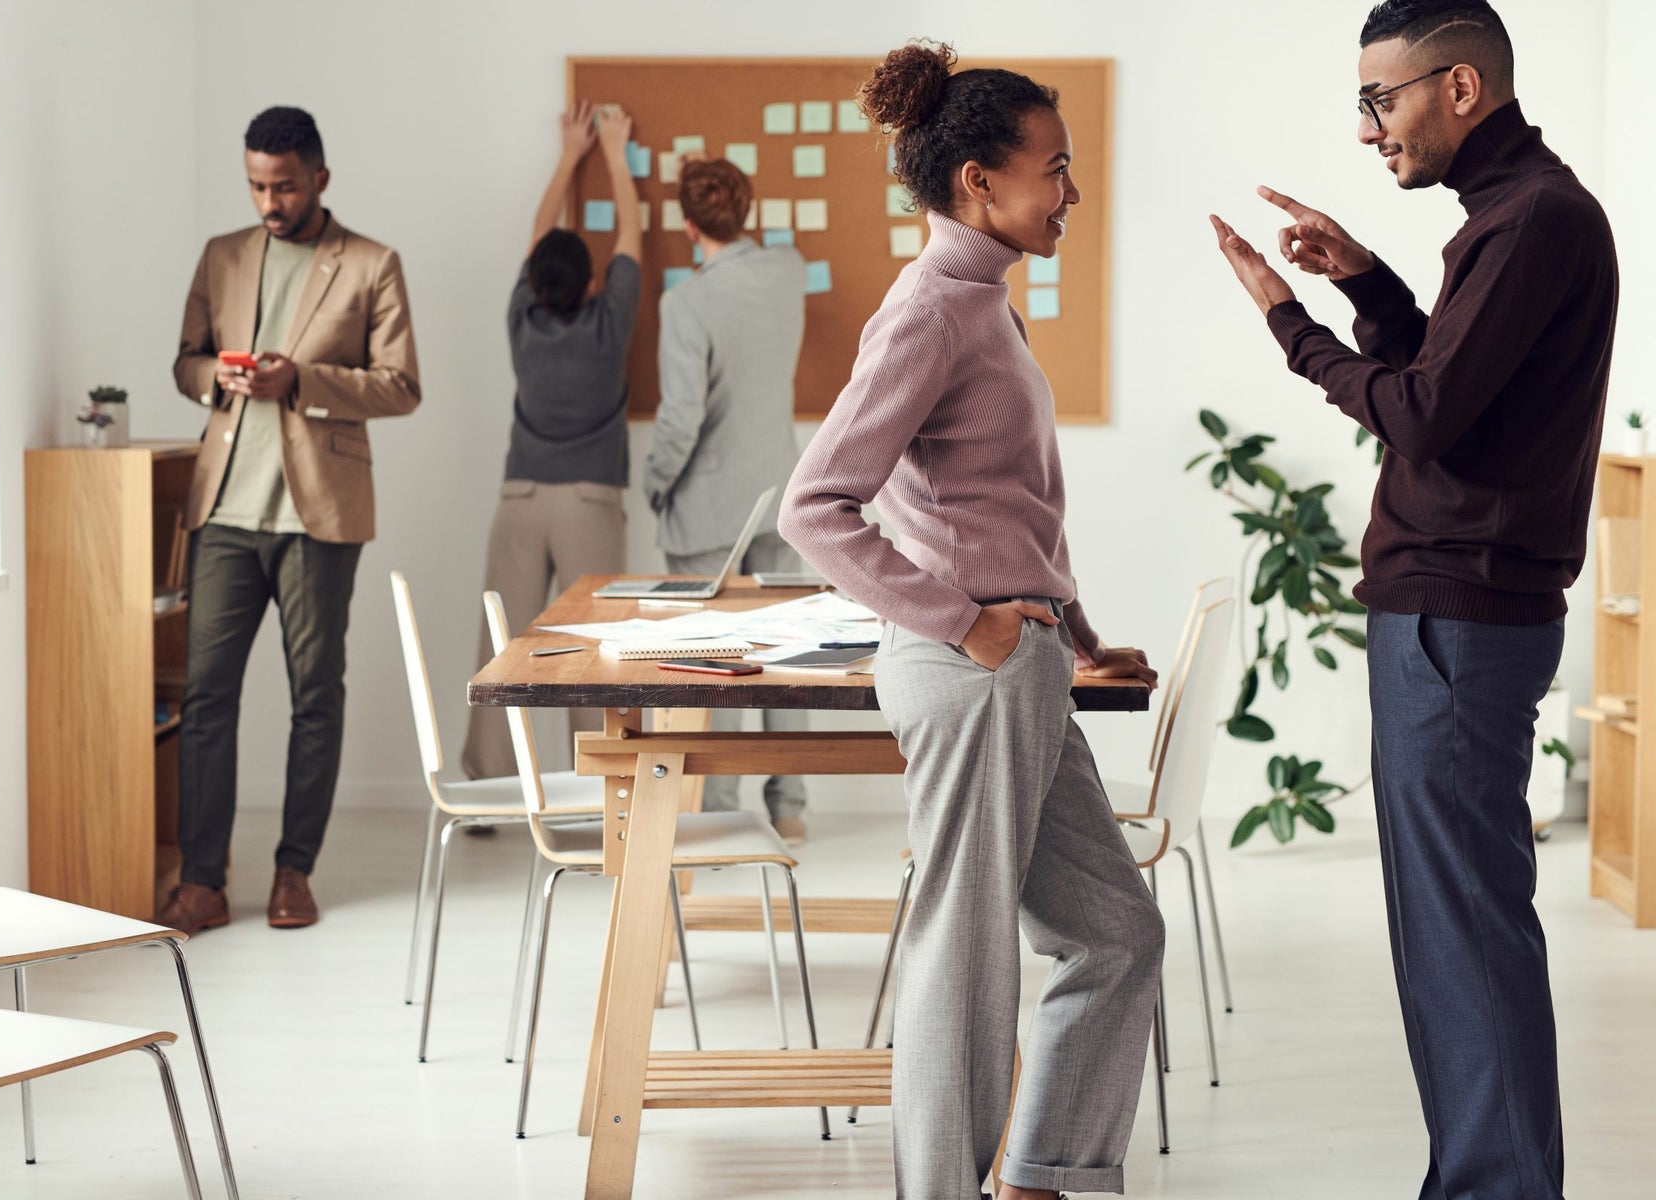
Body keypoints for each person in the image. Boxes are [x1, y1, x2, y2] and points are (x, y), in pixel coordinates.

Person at [1209, 4, 1617, 1197]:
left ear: (1460, 88)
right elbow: (1463, 384)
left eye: (1380, 101)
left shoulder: (1531, 218)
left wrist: (1288, 323)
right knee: (1457, 926)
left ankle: (1496, 1185)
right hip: (1463, 611)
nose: (1366, 129)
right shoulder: (1513, 215)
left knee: (1464, 929)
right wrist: (1368, 283)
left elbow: (1426, 418)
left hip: (1460, 613)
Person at [780, 42, 1163, 1200]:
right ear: (978, 184)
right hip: (976, 670)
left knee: (1116, 935)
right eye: (1054, 168)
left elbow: (1008, 509)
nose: (1072, 193)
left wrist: (1078, 632)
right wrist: (963, 622)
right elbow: (816, 507)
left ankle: (1038, 1179)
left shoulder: (982, 302)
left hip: (1026, 661)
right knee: (966, 953)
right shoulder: (933, 311)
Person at [160, 105, 421, 935]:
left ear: (319, 178)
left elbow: (401, 385)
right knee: (206, 698)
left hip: (319, 516)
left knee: (315, 695)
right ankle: (202, 880)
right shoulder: (223, 256)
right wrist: (220, 379)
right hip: (226, 511)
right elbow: (185, 360)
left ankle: (292, 872)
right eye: (256, 185)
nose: (269, 202)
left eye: (283, 186)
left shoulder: (372, 264)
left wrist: (301, 380)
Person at [458, 102, 643, 788]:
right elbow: (631, 235)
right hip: (591, 501)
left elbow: (541, 235)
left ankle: (484, 780)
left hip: (520, 498)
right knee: (594, 649)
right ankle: (595, 780)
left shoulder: (522, 320)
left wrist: (570, 152)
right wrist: (617, 154)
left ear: (534, 283)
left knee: (501, 643)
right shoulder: (609, 324)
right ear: (593, 284)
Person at [645, 156, 812, 839]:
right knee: (787, 649)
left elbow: (680, 417)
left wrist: (656, 482)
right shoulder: (790, 272)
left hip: (709, 506)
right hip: (781, 489)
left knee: (714, 657)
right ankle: (790, 807)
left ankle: (717, 812)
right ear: (746, 212)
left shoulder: (684, 302)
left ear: (687, 225)